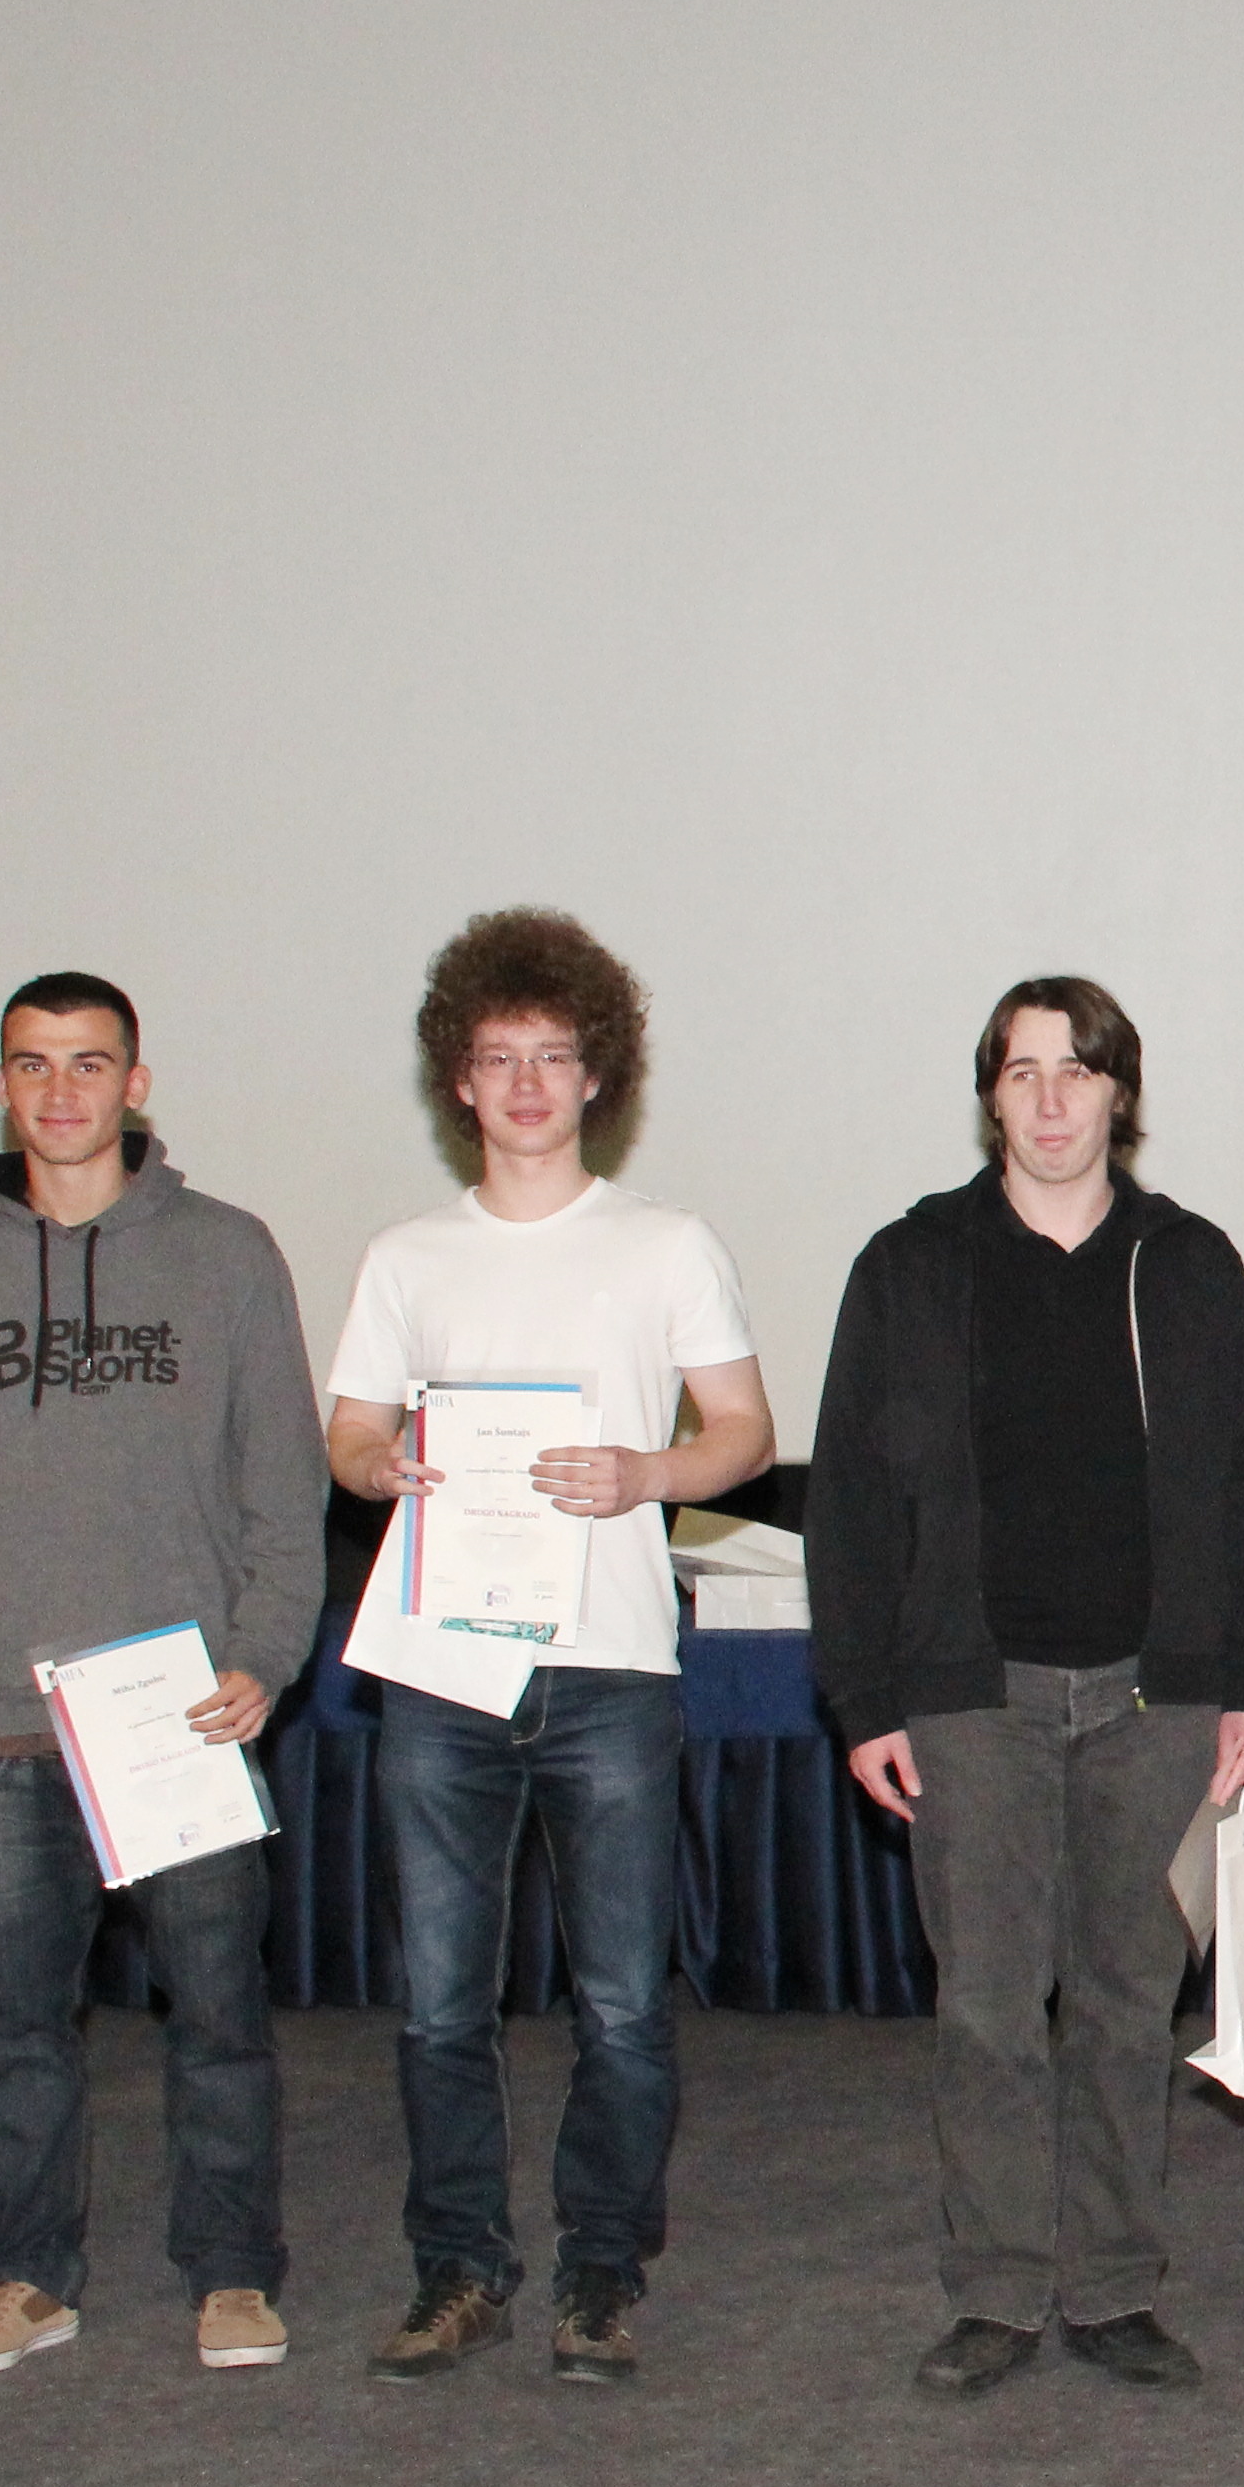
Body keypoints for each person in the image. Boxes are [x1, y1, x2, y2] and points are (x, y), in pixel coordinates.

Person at [810, 979, 1244, 2401]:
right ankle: (998, 2290)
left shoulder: (1190, 1264)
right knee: (986, 2009)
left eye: (1077, 1071)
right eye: (1022, 1072)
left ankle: (1116, 2287)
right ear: (990, 1097)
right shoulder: (911, 1264)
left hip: (1160, 1701)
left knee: (1131, 2006)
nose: (1050, 1099)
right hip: (972, 1701)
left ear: (1119, 1095)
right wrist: (864, 1699)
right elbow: (848, 1497)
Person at [323, 911, 772, 2389]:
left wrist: (646, 1474)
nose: (526, 1083)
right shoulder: (407, 1256)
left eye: (554, 1055)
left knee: (624, 2004)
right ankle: (458, 2270)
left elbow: (744, 1433)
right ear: (459, 1078)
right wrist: (379, 1466)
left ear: (597, 1075)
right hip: (443, 1669)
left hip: (612, 1672)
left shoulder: (667, 1245)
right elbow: (350, 1430)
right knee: (440, 2004)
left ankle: (600, 2273)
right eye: (499, 1056)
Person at [0, 974, 330, 2379]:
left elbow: (283, 1484)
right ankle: (24, 2279)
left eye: (88, 1064)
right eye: (33, 1065)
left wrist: (264, 1657)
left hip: (177, 1716)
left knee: (218, 2015)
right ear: (2, 1085)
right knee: (17, 2025)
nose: (60, 1091)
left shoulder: (228, 1254)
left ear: (136, 1084)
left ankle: (233, 2273)